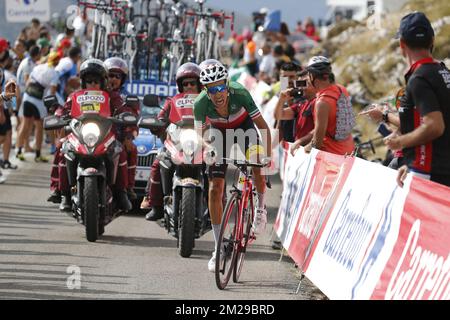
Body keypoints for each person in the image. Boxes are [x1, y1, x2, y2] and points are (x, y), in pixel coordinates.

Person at [194, 59, 272, 272]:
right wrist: (207, 146)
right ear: (206, 90)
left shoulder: (241, 93)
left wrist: (268, 155)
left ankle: (260, 207)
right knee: (214, 188)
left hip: (245, 130)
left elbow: (263, 126)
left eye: (220, 86)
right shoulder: (200, 103)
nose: (217, 93)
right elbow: (200, 133)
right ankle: (218, 247)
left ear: (227, 84)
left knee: (256, 160)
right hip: (218, 135)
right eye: (212, 89)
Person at [49, 59, 132, 211]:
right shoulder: (74, 96)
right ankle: (64, 194)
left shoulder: (112, 96)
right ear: (83, 82)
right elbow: (64, 109)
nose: (92, 84)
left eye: (96, 81)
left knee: (120, 152)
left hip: (105, 135)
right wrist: (58, 115)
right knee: (63, 150)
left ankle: (121, 193)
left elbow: (123, 110)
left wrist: (127, 122)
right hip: (80, 134)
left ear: (103, 82)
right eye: (89, 81)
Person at [385, 12, 450, 187]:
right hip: (433, 170)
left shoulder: (419, 78)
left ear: (401, 44)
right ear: (432, 41)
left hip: (434, 177)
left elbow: (434, 126)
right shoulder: (443, 72)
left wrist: (400, 142)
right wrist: (411, 164)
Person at [141, 62, 203, 220]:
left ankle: (215, 203)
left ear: (199, 84)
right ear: (180, 86)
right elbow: (160, 117)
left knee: (216, 166)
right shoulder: (172, 100)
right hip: (176, 143)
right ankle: (156, 205)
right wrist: (157, 124)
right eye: (185, 83)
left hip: (202, 144)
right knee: (159, 162)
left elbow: (217, 118)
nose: (189, 86)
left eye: (192, 83)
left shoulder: (207, 101)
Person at [299, 56, 355, 155]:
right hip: (349, 150)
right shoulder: (341, 89)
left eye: (308, 74)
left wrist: (303, 150)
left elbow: (317, 143)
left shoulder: (322, 103)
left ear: (312, 76)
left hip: (331, 156)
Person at [16, 51, 61, 163]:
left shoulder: (38, 66)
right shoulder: (54, 73)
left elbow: (28, 82)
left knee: (25, 124)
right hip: (38, 101)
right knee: (39, 127)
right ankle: (38, 154)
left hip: (27, 96)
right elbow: (52, 93)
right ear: (57, 61)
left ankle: (19, 151)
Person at [104, 57, 139, 201]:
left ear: (122, 79)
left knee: (127, 150)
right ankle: (65, 190)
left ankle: (126, 188)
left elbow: (133, 120)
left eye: (117, 76)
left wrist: (128, 136)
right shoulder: (96, 92)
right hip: (95, 135)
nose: (113, 79)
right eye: (110, 75)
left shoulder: (128, 97)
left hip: (118, 136)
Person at [275, 72, 317, 155]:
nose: (301, 87)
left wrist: (299, 142)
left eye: (305, 83)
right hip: (297, 151)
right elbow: (278, 116)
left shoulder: (318, 103)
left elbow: (320, 129)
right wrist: (281, 100)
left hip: (309, 153)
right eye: (300, 83)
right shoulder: (302, 104)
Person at [0, 40, 20, 179]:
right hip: (2, 107)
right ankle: (4, 160)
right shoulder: (7, 74)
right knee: (4, 136)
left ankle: (5, 160)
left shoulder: (3, 72)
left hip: (2, 106)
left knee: (5, 135)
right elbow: (10, 95)